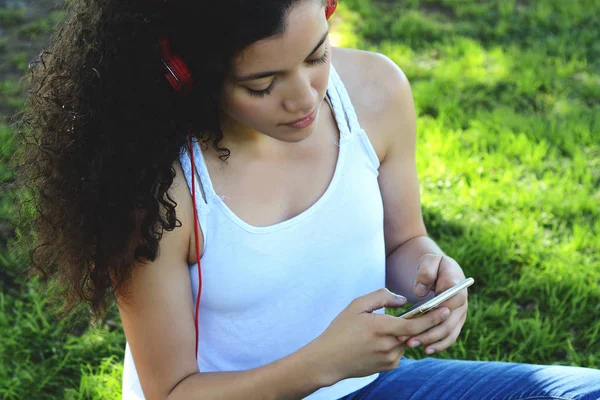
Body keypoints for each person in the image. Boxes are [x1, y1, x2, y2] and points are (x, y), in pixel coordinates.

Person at [12, 0, 600, 399]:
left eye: (317, 55)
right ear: (184, 74)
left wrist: (427, 272)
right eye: (262, 85)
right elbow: (172, 392)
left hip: (360, 389)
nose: (304, 99)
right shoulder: (158, 185)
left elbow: (403, 239)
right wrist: (322, 363)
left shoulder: (374, 93)